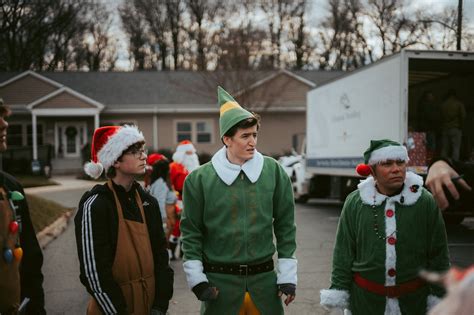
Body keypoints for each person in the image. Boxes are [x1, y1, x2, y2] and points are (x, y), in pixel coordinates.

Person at [180, 86, 297, 314]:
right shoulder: (199, 179)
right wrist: (198, 280)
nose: (252, 141)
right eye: (245, 136)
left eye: (254, 135)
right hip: (219, 286)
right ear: (227, 139)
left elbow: (285, 226)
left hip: (264, 284)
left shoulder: (274, 172)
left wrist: (287, 275)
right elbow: (191, 231)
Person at [320, 139, 450, 315]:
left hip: (413, 304)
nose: (396, 169)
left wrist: (440, 298)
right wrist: (337, 295)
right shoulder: (355, 202)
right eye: (387, 164)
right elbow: (343, 253)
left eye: (400, 162)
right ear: (372, 171)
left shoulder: (424, 201)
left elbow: (438, 254)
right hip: (365, 304)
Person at [74, 125, 173, 315]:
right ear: (115, 161)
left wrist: (160, 306)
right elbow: (94, 273)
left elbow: (161, 258)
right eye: (135, 152)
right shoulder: (96, 205)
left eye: (143, 151)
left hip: (151, 304)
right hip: (113, 308)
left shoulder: (148, 202)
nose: (144, 156)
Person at [0, 98, 46, 314]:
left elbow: (31, 259)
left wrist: (36, 308)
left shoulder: (10, 187)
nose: (5, 124)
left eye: (3, 116)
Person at [168, 140, 200, 260]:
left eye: (192, 153)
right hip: (178, 200)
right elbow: (168, 185)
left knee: (189, 227)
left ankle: (184, 253)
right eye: (188, 153)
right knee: (176, 226)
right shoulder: (174, 167)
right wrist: (175, 200)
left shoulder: (196, 168)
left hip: (193, 200)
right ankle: (171, 252)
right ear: (181, 154)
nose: (191, 156)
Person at [147, 153, 177, 241]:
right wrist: (164, 221)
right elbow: (160, 202)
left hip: (168, 218)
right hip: (165, 220)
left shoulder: (161, 181)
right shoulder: (161, 184)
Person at [439, 89, 466, 160]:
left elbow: (440, 117)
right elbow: (463, 116)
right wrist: (461, 127)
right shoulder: (459, 104)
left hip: (445, 128)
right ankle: (455, 165)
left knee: (444, 148)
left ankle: (443, 164)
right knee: (456, 148)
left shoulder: (443, 104)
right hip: (455, 128)